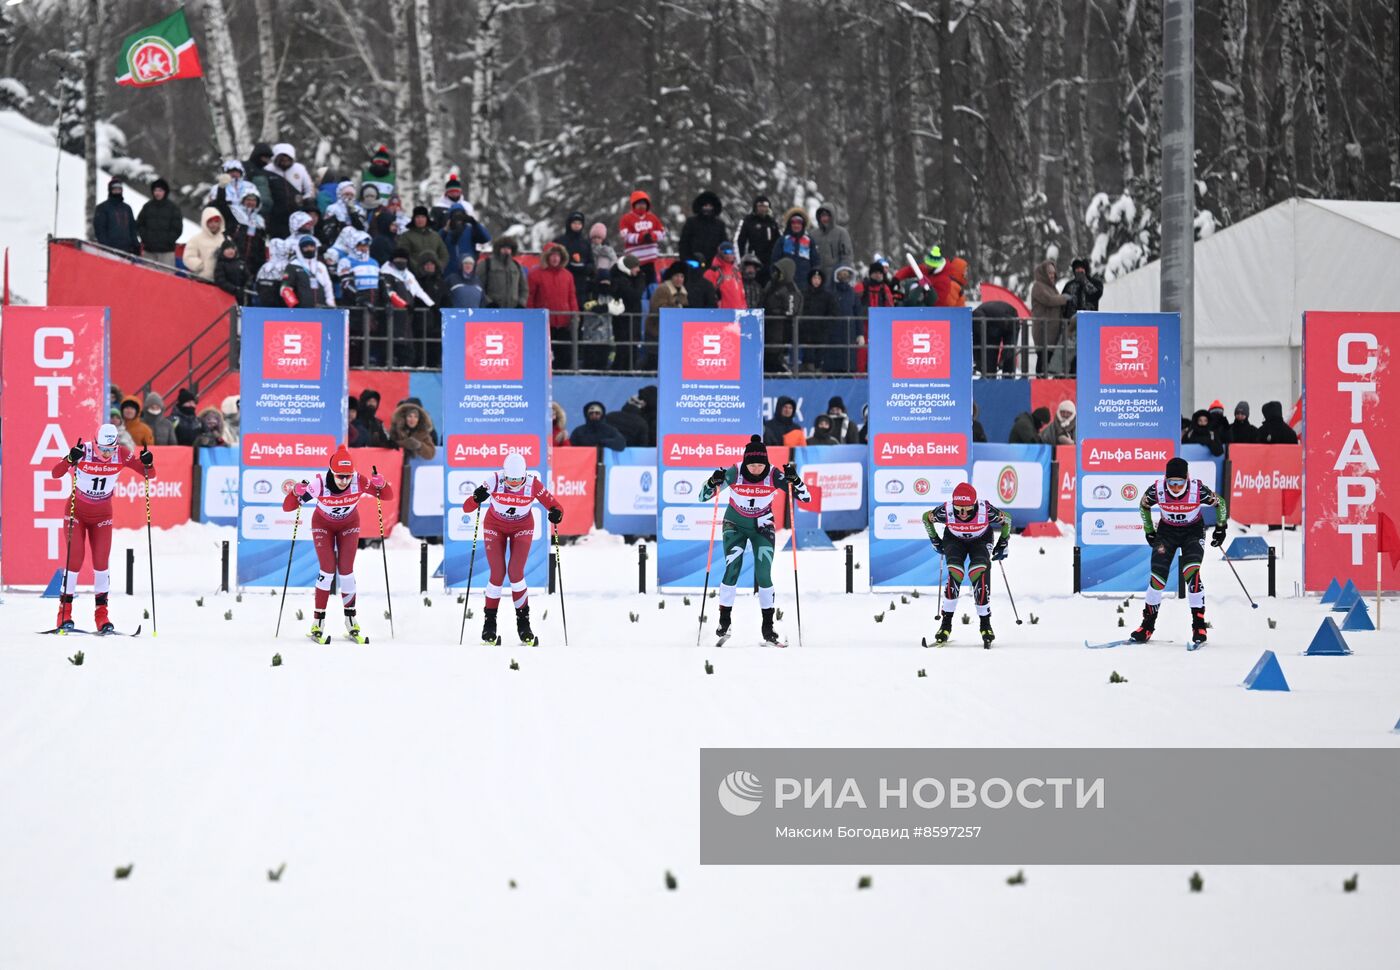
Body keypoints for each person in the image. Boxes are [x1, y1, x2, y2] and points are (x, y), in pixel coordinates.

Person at [699, 436, 811, 646]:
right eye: (752, 464)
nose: (757, 468)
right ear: (745, 463)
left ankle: (768, 628)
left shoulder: (773, 474)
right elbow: (702, 496)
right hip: (734, 524)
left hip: (763, 526)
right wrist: (712, 482)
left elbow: (806, 498)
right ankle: (724, 621)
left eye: (760, 464)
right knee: (732, 568)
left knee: (763, 574)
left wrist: (795, 480)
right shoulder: (734, 472)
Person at [282, 444, 393, 643]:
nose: (344, 480)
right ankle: (318, 622)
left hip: (349, 524)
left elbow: (386, 496)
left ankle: (351, 621)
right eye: (340, 476)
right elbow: (288, 507)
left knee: (346, 571)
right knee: (327, 570)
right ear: (331, 472)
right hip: (323, 525)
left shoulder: (359, 481)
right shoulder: (318, 485)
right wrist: (296, 493)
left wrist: (382, 484)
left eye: (347, 476)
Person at [50, 424, 155, 632]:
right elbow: (56, 473)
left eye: (111, 449)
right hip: (76, 513)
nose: (107, 454)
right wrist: (70, 459)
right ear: (95, 444)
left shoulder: (121, 455)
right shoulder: (84, 451)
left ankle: (102, 616)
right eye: (103, 449)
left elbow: (149, 474)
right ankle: (64, 614)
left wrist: (148, 463)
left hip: (102, 516)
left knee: (101, 564)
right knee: (75, 560)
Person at [461, 452, 564, 646]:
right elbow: (467, 508)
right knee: (497, 574)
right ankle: (489, 624)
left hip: (522, 527)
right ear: (504, 475)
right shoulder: (494, 480)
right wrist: (476, 497)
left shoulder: (533, 484)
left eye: (518, 480)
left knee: (516, 573)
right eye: (510, 480)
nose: (514, 484)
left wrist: (556, 514)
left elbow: (556, 506)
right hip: (495, 527)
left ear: (524, 475)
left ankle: (524, 624)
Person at [1131, 456, 1230, 647]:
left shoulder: (1197, 489)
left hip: (1192, 532)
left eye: (1179, 483)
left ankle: (1199, 625)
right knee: (1157, 578)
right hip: (1167, 533)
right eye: (1171, 483)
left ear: (1187, 478)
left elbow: (1221, 503)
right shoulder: (1157, 490)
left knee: (1191, 573)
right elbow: (1143, 506)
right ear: (1165, 479)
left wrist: (1221, 528)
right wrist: (1149, 531)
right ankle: (1147, 626)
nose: (1175, 487)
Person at [922, 482, 1012, 646]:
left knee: (977, 571)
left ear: (975, 504)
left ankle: (985, 624)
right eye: (958, 509)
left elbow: (1007, 519)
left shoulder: (986, 510)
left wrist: (1003, 542)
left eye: (968, 509)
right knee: (955, 572)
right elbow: (926, 518)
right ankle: (945, 624)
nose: (963, 513)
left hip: (981, 540)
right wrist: (935, 540)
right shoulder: (946, 510)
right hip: (955, 540)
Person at [528, 242, 581, 368]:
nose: (555, 258)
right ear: (546, 257)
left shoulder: (567, 275)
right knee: (542, 355)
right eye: (552, 255)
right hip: (544, 322)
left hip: (564, 322)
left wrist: (575, 315)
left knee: (565, 355)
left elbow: (572, 297)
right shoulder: (535, 274)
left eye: (557, 255)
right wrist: (531, 317)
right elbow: (530, 297)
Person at [618, 189, 668, 282]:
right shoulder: (626, 218)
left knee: (652, 285)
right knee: (637, 285)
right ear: (634, 205)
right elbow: (625, 235)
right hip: (635, 261)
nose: (642, 206)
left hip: (651, 259)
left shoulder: (652, 217)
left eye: (644, 203)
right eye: (639, 203)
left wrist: (652, 236)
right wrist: (641, 237)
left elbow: (662, 232)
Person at [1030, 260, 1069, 376]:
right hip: (1043, 331)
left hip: (1052, 332)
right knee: (1043, 359)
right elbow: (1049, 300)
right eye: (1049, 273)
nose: (1052, 275)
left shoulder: (1052, 288)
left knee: (1049, 361)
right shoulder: (1038, 286)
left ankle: (1046, 389)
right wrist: (1064, 299)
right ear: (1043, 273)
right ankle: (1040, 387)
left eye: (1053, 272)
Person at [136, 178, 183, 266]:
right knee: (146, 277)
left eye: (160, 190)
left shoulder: (173, 208)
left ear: (165, 192)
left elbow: (177, 229)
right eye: (155, 190)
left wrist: (167, 241)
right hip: (149, 251)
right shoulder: (147, 207)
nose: (157, 193)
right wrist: (145, 238)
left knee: (166, 277)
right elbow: (139, 224)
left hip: (166, 252)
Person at [678, 190, 727, 267]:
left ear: (714, 207)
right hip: (693, 263)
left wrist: (722, 261)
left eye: (710, 206)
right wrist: (687, 260)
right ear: (700, 206)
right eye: (705, 206)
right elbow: (683, 244)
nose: (707, 208)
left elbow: (724, 245)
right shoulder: (691, 222)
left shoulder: (720, 225)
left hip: (713, 265)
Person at [737, 196, 780, 282]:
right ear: (755, 207)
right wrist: (741, 259)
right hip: (753, 260)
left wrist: (776, 260)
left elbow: (778, 241)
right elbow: (741, 241)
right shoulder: (749, 221)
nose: (763, 209)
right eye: (760, 206)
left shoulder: (772, 223)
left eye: (765, 206)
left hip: (769, 261)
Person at [770, 208, 818, 284]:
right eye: (794, 223)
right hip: (785, 283)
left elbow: (815, 262)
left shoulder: (809, 241)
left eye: (799, 223)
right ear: (790, 224)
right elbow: (774, 260)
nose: (796, 225)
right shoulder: (783, 240)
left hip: (804, 283)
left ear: (803, 225)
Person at [93, 177, 140, 254]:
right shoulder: (102, 208)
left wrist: (136, 245)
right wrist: (105, 247)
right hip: (110, 249)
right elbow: (100, 230)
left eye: (119, 189)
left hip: (127, 249)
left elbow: (132, 229)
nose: (117, 191)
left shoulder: (127, 208)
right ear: (110, 190)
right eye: (114, 189)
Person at [973, 299, 1019, 375]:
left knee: (991, 350)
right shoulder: (979, 312)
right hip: (1011, 316)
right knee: (1009, 348)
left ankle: (990, 376)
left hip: (998, 320)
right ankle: (1008, 378)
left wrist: (978, 362)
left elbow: (978, 340)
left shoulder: (976, 316)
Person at [809, 205, 853, 286]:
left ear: (832, 216)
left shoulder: (841, 233)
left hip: (835, 277)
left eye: (827, 216)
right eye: (822, 216)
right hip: (817, 278)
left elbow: (846, 255)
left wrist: (843, 271)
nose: (825, 219)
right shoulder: (813, 234)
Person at [480, 238, 528, 309]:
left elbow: (524, 288)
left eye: (509, 248)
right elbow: (479, 287)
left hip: (513, 310)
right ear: (498, 249)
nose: (506, 250)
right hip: (492, 309)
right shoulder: (487, 263)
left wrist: (521, 303)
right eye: (503, 248)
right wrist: (488, 302)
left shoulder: (517, 266)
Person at [183, 207, 228, 281]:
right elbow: (188, 257)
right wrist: (200, 266)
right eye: (210, 221)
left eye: (216, 221)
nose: (213, 224)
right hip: (200, 280)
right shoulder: (196, 239)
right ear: (205, 222)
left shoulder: (226, 240)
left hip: (220, 282)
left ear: (220, 222)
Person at [706, 241, 746, 310]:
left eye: (732, 252)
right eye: (727, 252)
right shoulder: (712, 272)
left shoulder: (736, 272)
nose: (730, 255)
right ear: (720, 253)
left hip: (738, 314)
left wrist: (744, 309)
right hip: (721, 314)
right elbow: (708, 296)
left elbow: (742, 295)